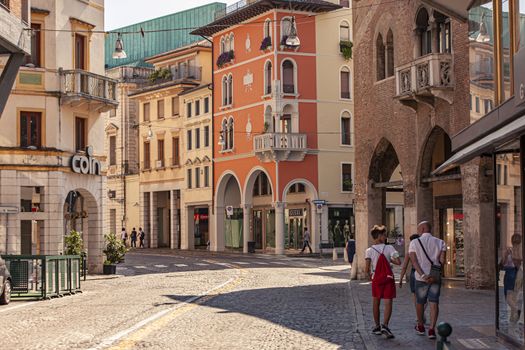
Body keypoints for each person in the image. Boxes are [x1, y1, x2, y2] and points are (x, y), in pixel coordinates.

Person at [408, 221, 446, 339]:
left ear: (423, 229)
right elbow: (442, 262)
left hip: (421, 278)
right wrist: (432, 273)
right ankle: (431, 330)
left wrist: (423, 275)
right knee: (434, 302)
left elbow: (414, 262)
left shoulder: (414, 242)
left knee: (420, 302)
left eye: (419, 229)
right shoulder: (441, 242)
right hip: (435, 277)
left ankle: (420, 325)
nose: (418, 231)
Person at [365, 224, 401, 339]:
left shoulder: (369, 250)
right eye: (384, 235)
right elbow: (399, 261)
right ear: (379, 236)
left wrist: (371, 276)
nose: (385, 237)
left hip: (376, 279)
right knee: (388, 302)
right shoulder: (389, 248)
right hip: (388, 278)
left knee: (376, 302)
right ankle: (385, 325)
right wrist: (389, 260)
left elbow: (366, 269)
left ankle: (377, 326)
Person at [399, 233, 426, 322]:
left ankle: (420, 315)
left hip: (414, 273)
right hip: (425, 272)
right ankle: (421, 314)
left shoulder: (410, 251)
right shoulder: (425, 249)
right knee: (427, 295)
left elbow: (404, 266)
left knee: (415, 295)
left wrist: (401, 279)